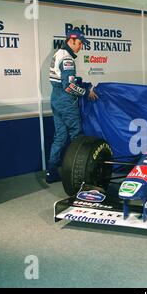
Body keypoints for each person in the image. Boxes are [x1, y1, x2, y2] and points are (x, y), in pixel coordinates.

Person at [46, 29, 98, 183]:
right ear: (72, 40)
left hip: (56, 99)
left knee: (60, 137)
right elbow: (68, 86)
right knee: (77, 136)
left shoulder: (59, 53)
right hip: (66, 101)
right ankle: (81, 174)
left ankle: (51, 172)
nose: (81, 47)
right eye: (80, 43)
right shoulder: (67, 58)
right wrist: (85, 92)